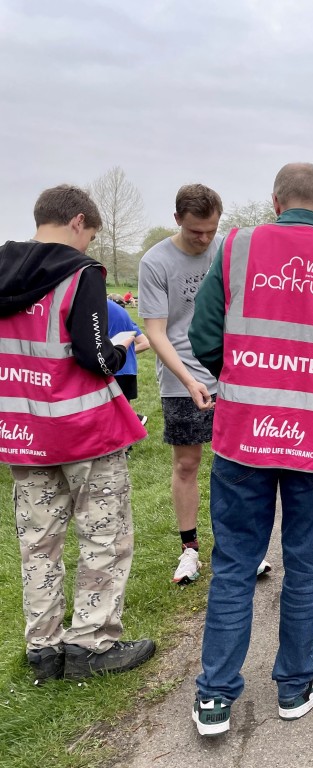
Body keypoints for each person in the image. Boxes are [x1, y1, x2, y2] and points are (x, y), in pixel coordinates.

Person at [187, 162, 313, 735]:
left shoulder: (235, 247)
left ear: (276, 203)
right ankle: (296, 685)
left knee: (234, 564)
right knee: (304, 563)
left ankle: (214, 698)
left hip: (244, 432)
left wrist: (249, 376)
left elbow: (203, 338)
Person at [1, 185, 153, 683]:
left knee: (38, 543)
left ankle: (42, 647)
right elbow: (93, 356)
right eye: (88, 234)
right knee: (103, 537)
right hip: (83, 431)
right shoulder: (80, 272)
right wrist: (122, 344)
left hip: (24, 431)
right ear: (78, 222)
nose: (86, 244)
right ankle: (91, 643)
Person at [139, 184, 235, 584]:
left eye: (211, 230)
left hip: (230, 372)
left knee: (237, 464)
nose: (204, 239)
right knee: (187, 463)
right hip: (181, 374)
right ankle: (189, 550)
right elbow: (157, 332)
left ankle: (237, 547)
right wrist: (189, 378)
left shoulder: (226, 251)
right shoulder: (155, 262)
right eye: (196, 231)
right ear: (177, 219)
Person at [107, 297, 151, 427]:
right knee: (123, 408)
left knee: (117, 411)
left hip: (114, 368)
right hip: (128, 368)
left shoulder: (98, 309)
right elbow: (145, 343)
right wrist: (125, 352)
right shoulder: (126, 318)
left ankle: (137, 421)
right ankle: (136, 423)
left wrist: (118, 353)